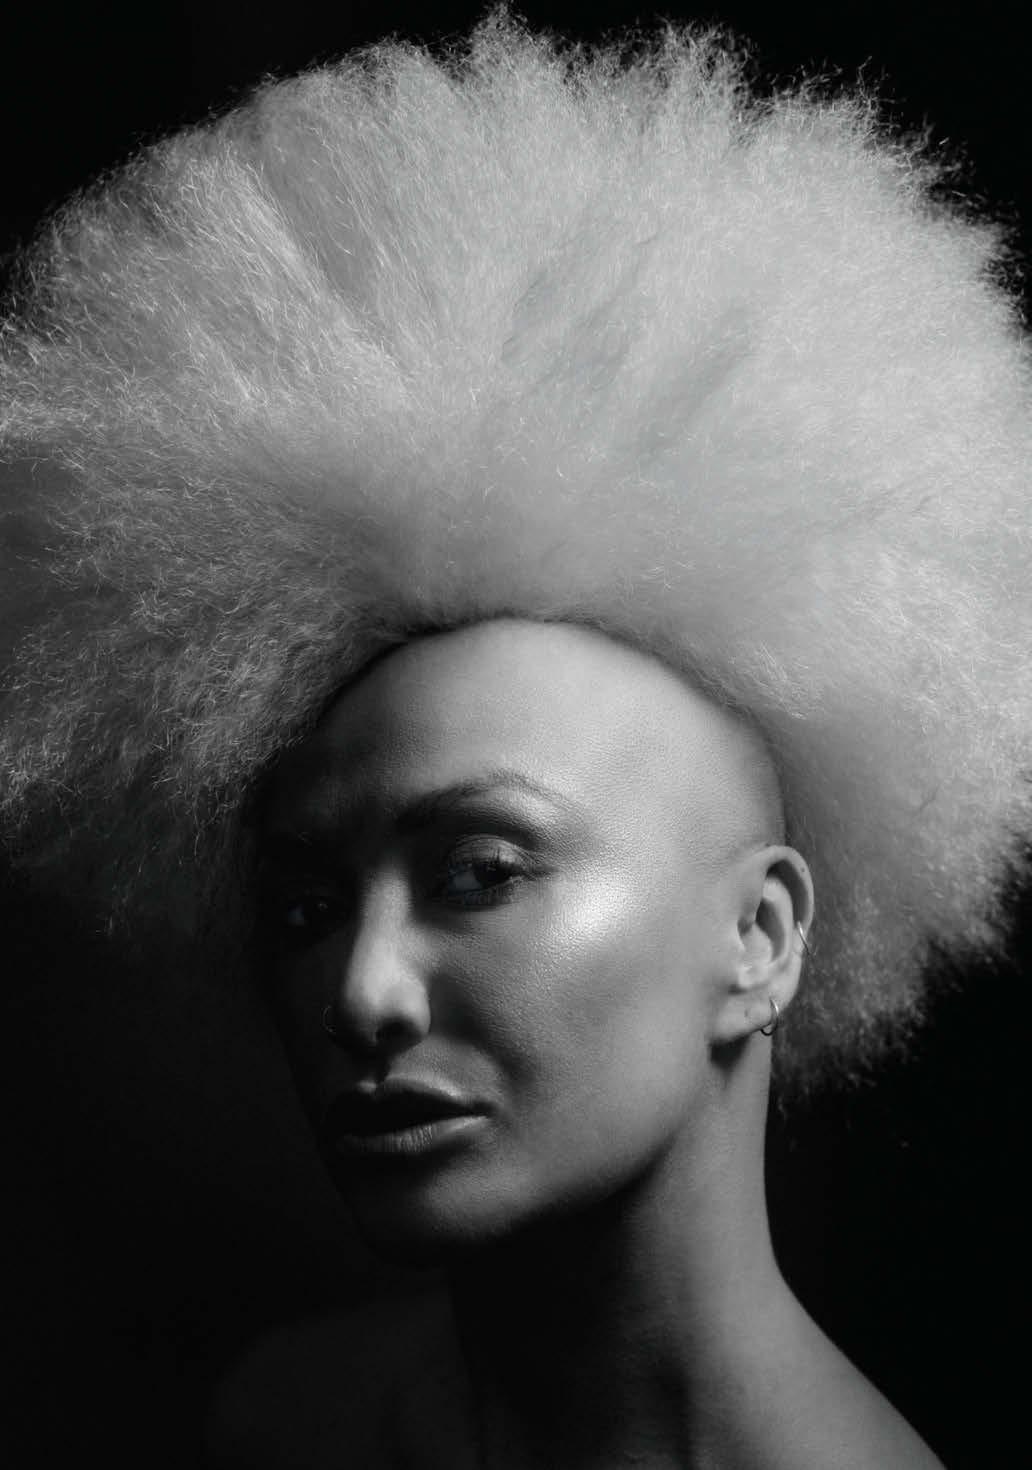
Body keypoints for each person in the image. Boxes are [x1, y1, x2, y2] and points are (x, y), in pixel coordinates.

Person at [1, 8, 1029, 1467]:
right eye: (303, 906)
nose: (360, 993)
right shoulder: (287, 1422)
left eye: (480, 871)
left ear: (760, 937)